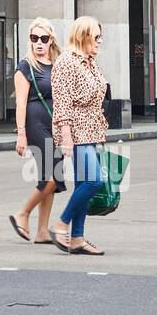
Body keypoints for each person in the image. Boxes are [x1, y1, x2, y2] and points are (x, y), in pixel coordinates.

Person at [50, 16, 110, 256]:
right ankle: (61, 224)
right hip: (75, 131)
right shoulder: (66, 62)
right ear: (82, 35)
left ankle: (77, 238)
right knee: (94, 181)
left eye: (100, 37)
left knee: (84, 184)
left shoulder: (89, 62)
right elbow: (61, 103)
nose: (99, 41)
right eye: (96, 37)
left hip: (91, 129)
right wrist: (66, 136)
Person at [8, 18, 66, 245]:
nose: (39, 43)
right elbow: (21, 102)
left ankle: (42, 231)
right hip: (35, 123)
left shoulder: (59, 63)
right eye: (34, 38)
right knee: (54, 175)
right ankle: (22, 213)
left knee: (49, 175)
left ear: (51, 40)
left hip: (55, 123)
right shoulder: (26, 66)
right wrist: (21, 133)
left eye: (44, 38)